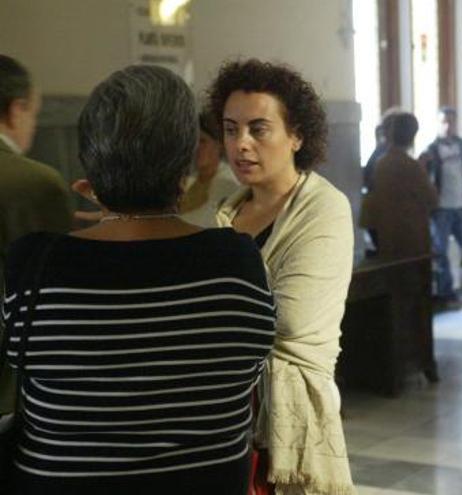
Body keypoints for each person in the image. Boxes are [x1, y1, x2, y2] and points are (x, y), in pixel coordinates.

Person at [1, 65, 274, 495]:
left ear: (88, 165)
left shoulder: (36, 264)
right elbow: (249, 368)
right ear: (185, 160)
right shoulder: (238, 261)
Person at [209, 59, 356, 493]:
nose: (241, 145)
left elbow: (290, 319)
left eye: (258, 129)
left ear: (296, 136)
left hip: (292, 415)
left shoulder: (323, 208)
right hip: (226, 415)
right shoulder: (227, 210)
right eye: (230, 129)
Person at [0, 55, 72, 418]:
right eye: (34, 114)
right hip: (11, 386)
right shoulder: (36, 183)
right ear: (16, 110)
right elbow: (63, 288)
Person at [362, 112, 438, 260]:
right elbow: (432, 199)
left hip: (388, 236)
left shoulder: (381, 163)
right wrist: (422, 169)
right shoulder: (411, 166)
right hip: (411, 239)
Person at [420, 107, 462, 303]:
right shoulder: (431, 149)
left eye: (451, 121)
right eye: (444, 121)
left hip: (461, 205)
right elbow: (425, 176)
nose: (448, 126)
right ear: (438, 123)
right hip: (441, 208)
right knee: (441, 252)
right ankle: (445, 291)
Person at [179, 109, 240, 227]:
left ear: (219, 145)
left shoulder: (228, 184)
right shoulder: (189, 182)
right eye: (194, 141)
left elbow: (209, 222)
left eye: (202, 141)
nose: (196, 147)